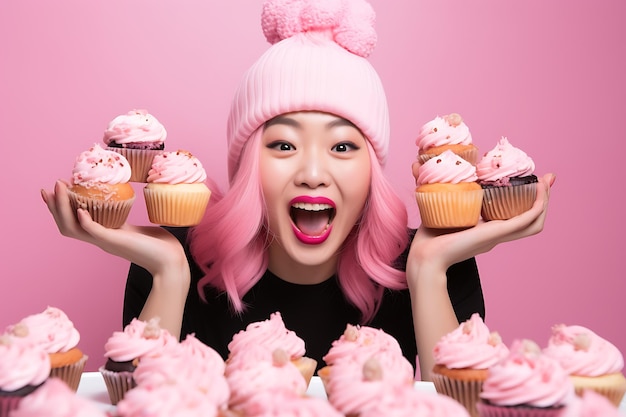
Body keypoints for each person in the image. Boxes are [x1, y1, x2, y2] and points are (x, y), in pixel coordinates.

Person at [41, 0, 554, 381]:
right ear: (246, 166)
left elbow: (461, 409)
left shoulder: (431, 260)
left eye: (343, 148)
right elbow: (135, 408)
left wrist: (428, 271)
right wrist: (169, 273)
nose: (312, 173)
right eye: (283, 146)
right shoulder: (173, 258)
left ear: (374, 170)